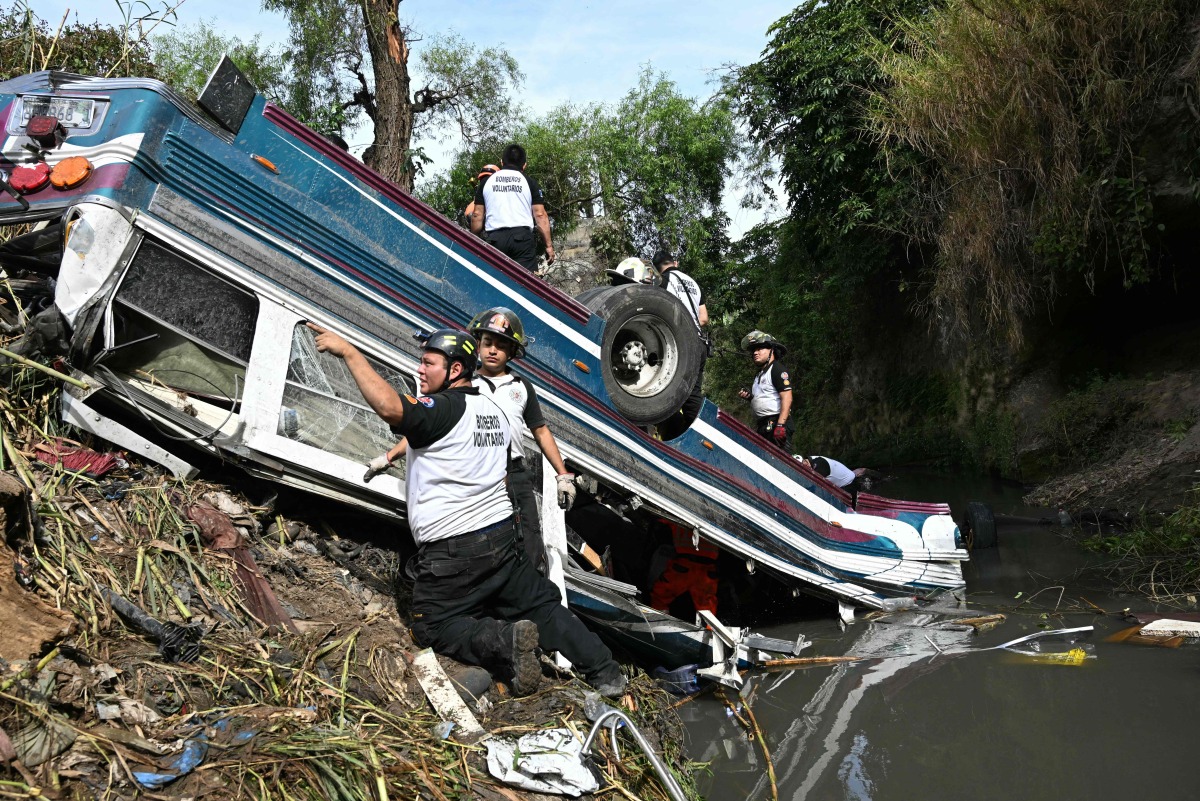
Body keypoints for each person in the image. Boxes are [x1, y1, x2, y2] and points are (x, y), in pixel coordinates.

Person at [307, 321, 626, 698]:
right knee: (541, 605)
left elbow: (391, 408)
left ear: (455, 370)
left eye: (428, 364)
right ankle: (607, 674)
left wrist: (349, 351)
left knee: (431, 624)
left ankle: (505, 642)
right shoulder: (489, 407)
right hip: (502, 535)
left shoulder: (442, 407)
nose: (419, 371)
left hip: (456, 550)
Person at [365, 308, 579, 573]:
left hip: (515, 474)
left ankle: (527, 599)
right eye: (487, 343)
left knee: (529, 541)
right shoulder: (464, 385)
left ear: (512, 353)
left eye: (501, 346)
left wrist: (563, 475)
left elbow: (541, 431)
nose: (492, 350)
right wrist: (388, 457)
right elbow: (431, 429)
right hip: (476, 473)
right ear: (477, 345)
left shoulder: (521, 387)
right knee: (482, 540)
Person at [470, 144, 555, 272]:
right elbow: (540, 215)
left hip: (495, 240)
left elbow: (477, 215)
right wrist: (548, 246)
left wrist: (474, 237)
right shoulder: (529, 182)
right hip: (522, 241)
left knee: (496, 282)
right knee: (526, 284)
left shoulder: (487, 182)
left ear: (501, 162)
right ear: (524, 165)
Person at [653, 250, 708, 438]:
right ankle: (699, 435)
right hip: (700, 343)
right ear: (674, 262)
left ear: (657, 268)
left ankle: (677, 435)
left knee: (664, 387)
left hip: (681, 342)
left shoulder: (664, 281)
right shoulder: (693, 283)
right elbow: (704, 318)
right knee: (693, 393)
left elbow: (660, 309)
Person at [649, 518, 719, 616]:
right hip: (707, 570)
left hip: (684, 566)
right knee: (707, 609)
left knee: (660, 596)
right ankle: (708, 629)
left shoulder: (679, 514)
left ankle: (658, 620)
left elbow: (660, 517)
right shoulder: (715, 519)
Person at [737, 330, 793, 448]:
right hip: (763, 425)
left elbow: (787, 397)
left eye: (759, 349)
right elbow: (766, 397)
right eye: (754, 350)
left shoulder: (777, 369)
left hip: (777, 423)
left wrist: (780, 425)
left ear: (771, 350)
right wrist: (750, 397)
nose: (755, 353)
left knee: (780, 462)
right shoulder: (760, 374)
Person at [803, 455, 871, 492]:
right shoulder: (813, 460)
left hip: (849, 485)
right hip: (846, 482)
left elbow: (818, 484)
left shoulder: (819, 463)